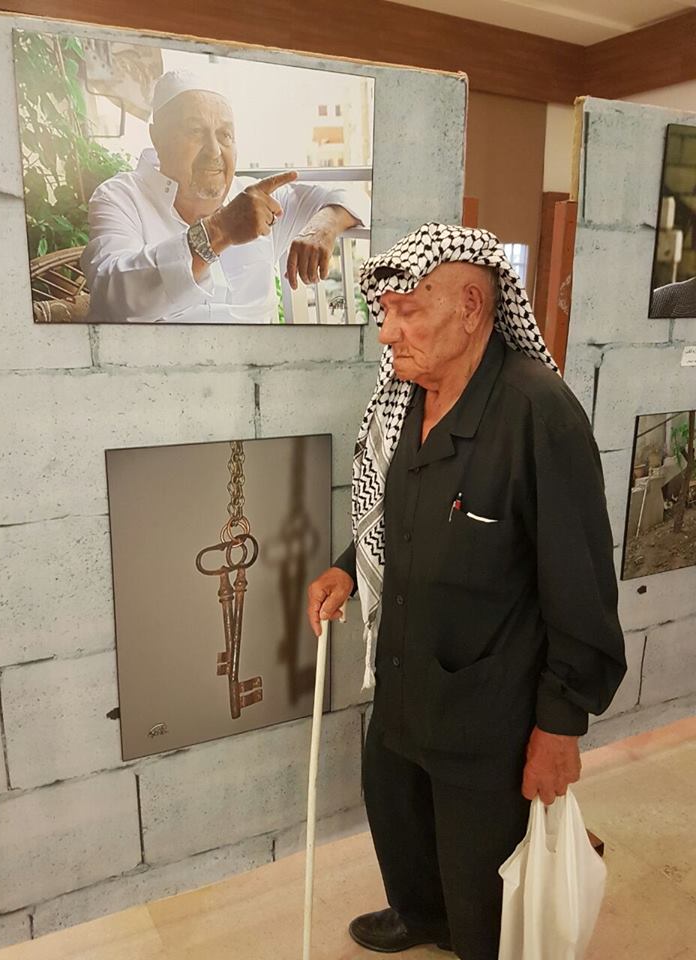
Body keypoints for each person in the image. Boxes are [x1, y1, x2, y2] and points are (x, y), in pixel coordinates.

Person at [307, 224, 626, 960]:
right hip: (404, 682)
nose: (386, 332)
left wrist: (560, 727)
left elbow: (580, 583)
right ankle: (423, 915)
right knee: (398, 815)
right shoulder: (409, 398)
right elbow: (399, 516)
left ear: (473, 307)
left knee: (483, 887)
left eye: (406, 311)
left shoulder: (537, 413)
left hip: (488, 713)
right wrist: (349, 568)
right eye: (385, 312)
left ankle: (470, 935)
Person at [82, 70, 365, 323]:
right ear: (157, 138)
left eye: (225, 135)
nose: (214, 150)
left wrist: (323, 226)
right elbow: (111, 297)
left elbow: (358, 198)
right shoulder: (120, 197)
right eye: (195, 131)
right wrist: (219, 231)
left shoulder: (257, 197)